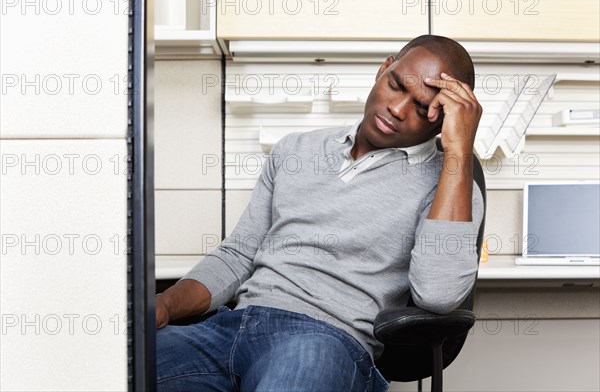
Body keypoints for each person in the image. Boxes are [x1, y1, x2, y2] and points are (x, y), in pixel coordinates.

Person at [155, 35, 484, 392]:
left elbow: (438, 295)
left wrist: (459, 151)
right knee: (110, 364)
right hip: (227, 329)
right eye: (396, 85)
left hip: (325, 338)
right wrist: (165, 305)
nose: (398, 109)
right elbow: (238, 255)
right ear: (383, 68)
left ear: (442, 121)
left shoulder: (453, 186)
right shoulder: (297, 148)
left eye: (422, 109)